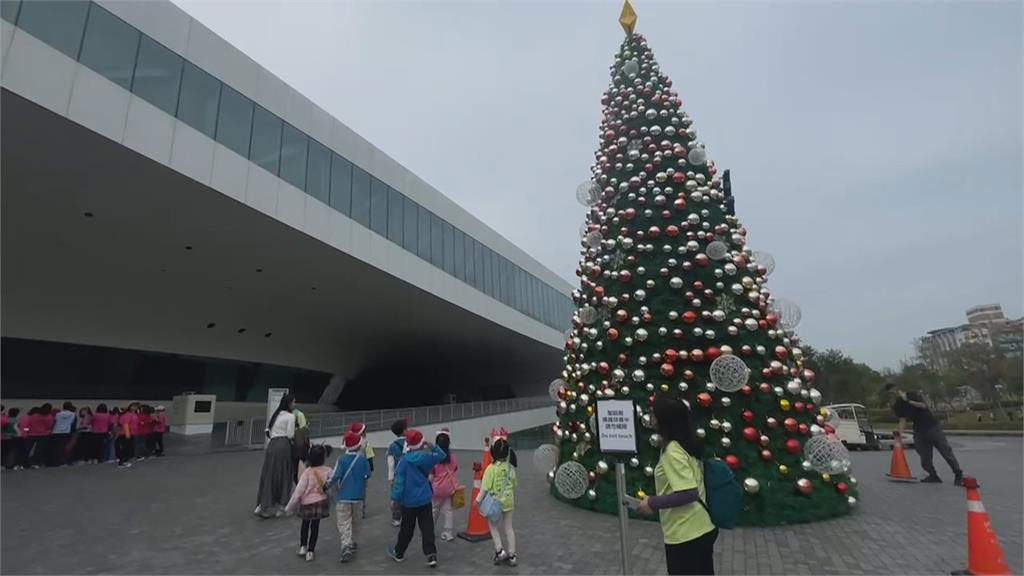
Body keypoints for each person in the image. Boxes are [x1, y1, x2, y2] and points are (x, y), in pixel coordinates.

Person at [637, 396, 717, 575]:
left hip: (686, 534)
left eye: (654, 414)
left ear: (665, 420)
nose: (651, 418)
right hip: (702, 527)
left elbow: (688, 493)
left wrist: (652, 502)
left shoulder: (673, 451)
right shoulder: (685, 444)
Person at [388, 429, 446, 568]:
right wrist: (431, 445)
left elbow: (399, 483)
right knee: (427, 527)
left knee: (407, 528)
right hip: (425, 498)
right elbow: (441, 455)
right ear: (421, 443)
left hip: (408, 501)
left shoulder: (403, 462)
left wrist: (395, 499)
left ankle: (399, 552)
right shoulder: (427, 457)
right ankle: (431, 554)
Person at [886, 383, 964, 485]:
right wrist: (899, 433)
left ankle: (958, 474)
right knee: (924, 456)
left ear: (898, 389)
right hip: (919, 430)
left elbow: (923, 406)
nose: (894, 393)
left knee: (945, 451)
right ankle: (933, 475)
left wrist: (908, 401)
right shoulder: (897, 405)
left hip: (932, 426)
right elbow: (902, 419)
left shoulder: (911, 395)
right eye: (891, 392)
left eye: (894, 390)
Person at [328, 431, 370, 563]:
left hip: (343, 496)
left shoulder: (341, 459)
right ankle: (353, 541)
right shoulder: (363, 459)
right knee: (356, 521)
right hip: (358, 496)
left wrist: (326, 486)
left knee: (344, 521)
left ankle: (346, 544)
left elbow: (335, 476)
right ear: (359, 445)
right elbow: (367, 474)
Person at [286, 444, 333, 562]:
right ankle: (311, 551)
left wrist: (289, 507)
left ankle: (303, 547)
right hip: (320, 503)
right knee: (315, 527)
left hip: (306, 504)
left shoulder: (307, 472)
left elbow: (298, 491)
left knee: (305, 525)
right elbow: (333, 485)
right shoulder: (328, 470)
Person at [478, 436, 518, 566]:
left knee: (493, 527)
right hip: (509, 501)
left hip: (496, 502)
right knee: (508, 528)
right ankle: (512, 555)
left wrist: (477, 501)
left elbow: (484, 488)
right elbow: (514, 484)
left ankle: (500, 551)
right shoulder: (511, 468)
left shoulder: (491, 469)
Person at [255, 393, 296, 518]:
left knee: (269, 473)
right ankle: (282, 505)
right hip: (283, 445)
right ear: (289, 403)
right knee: (284, 473)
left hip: (272, 445)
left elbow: (269, 431)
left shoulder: (276, 415)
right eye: (294, 402)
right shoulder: (290, 416)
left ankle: (262, 504)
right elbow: (290, 434)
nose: (295, 404)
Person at [430, 428, 459, 543]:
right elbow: (455, 469)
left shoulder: (433, 458)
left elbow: (431, 475)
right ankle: (448, 532)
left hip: (436, 489)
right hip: (449, 488)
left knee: (433, 510)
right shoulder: (452, 457)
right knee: (448, 510)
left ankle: (429, 530)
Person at [348, 422, 374, 519]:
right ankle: (361, 510)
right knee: (362, 489)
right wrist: (371, 468)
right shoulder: (365, 442)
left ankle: (351, 509)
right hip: (362, 468)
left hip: (350, 468)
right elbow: (369, 456)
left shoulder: (348, 441)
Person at [386, 419, 408, 527]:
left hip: (397, 475)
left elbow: (391, 463)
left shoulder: (392, 446)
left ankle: (396, 518)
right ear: (404, 430)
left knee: (397, 498)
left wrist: (390, 478)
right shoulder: (410, 442)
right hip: (410, 474)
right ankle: (409, 516)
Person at [50, 402, 76, 467]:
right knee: (64, 447)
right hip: (66, 431)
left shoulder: (58, 414)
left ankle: (56, 462)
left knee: (56, 448)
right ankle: (63, 461)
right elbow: (72, 423)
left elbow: (54, 422)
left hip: (56, 431)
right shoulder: (72, 414)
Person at [292, 408, 310, 483]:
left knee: (295, 468)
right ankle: (307, 480)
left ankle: (296, 480)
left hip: (294, 453)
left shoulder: (292, 431)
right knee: (307, 466)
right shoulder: (304, 431)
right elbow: (307, 442)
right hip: (303, 452)